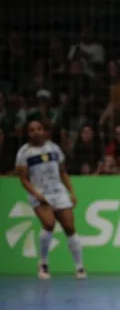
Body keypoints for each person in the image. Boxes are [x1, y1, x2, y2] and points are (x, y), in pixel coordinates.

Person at [15, 120, 86, 280]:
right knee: (49, 224)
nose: (36, 132)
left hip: (58, 192)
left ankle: (79, 266)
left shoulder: (54, 148)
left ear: (44, 131)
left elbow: (62, 172)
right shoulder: (24, 153)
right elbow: (23, 179)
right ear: (28, 133)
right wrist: (36, 194)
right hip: (40, 194)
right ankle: (43, 263)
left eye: (39, 128)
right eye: (32, 130)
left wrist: (72, 192)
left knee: (69, 227)